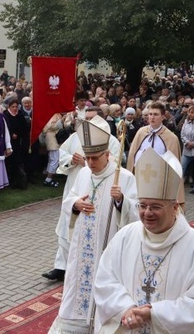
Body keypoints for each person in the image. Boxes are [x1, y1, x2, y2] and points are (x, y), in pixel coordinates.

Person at [93, 149, 194, 333]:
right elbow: (105, 279)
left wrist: (155, 313)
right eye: (142, 205)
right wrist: (126, 309)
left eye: (155, 206)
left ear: (174, 207)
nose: (147, 213)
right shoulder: (126, 236)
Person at [49, 120, 139, 334]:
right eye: (87, 158)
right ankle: (76, 323)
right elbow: (69, 199)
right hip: (82, 247)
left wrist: (121, 201)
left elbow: (136, 212)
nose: (90, 162)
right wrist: (76, 204)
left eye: (94, 158)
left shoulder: (124, 177)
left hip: (107, 243)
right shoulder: (83, 174)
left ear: (107, 155)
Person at [42, 112, 120, 282]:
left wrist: (87, 162)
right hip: (75, 184)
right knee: (66, 225)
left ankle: (91, 266)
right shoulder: (77, 136)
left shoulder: (111, 140)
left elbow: (116, 163)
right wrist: (72, 159)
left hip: (99, 190)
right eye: (87, 119)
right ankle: (61, 266)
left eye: (92, 118)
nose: (88, 122)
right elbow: (61, 153)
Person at [126, 101, 185, 207]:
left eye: (156, 114)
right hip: (141, 178)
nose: (152, 117)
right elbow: (132, 155)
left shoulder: (171, 138)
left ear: (163, 117)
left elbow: (174, 166)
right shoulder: (141, 132)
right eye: (150, 114)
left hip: (159, 181)